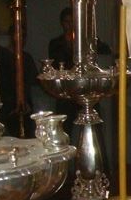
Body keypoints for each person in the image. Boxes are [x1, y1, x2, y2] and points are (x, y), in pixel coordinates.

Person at [48, 7, 111, 135]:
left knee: (94, 126)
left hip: (86, 89)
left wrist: (90, 40)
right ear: (62, 23)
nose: (70, 25)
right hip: (67, 91)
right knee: (64, 128)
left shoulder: (86, 41)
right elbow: (56, 65)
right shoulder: (56, 43)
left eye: (73, 21)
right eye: (67, 22)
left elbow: (106, 50)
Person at [0, 25, 39, 138]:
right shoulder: (1, 56)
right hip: (6, 105)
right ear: (11, 36)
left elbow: (33, 82)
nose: (21, 39)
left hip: (25, 106)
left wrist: (25, 101)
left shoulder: (27, 58)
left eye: (24, 36)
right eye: (18, 35)